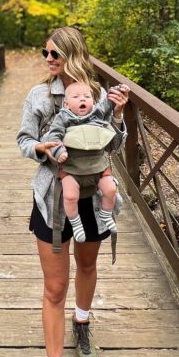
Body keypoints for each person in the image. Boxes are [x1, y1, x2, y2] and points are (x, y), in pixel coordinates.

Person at [16, 26, 129, 357]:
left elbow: (112, 148)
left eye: (54, 53)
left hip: (92, 197)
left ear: (72, 53)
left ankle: (82, 326)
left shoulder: (97, 95)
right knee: (53, 288)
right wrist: (41, 148)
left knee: (87, 265)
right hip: (52, 198)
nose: (47, 59)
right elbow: (23, 140)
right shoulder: (38, 96)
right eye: (44, 52)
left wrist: (117, 114)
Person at [43, 80, 120, 243]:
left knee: (111, 189)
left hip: (97, 165)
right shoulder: (63, 117)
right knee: (70, 196)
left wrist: (118, 90)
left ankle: (106, 214)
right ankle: (76, 223)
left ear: (93, 100)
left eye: (87, 97)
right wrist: (60, 151)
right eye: (76, 97)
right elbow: (54, 136)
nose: (82, 100)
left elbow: (108, 104)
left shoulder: (97, 113)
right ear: (66, 103)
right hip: (72, 167)